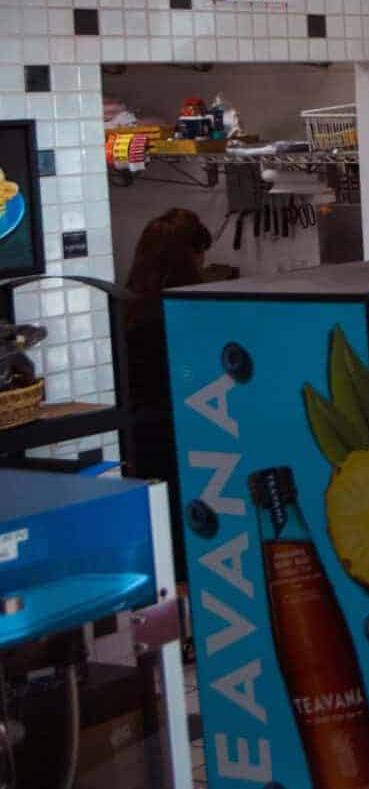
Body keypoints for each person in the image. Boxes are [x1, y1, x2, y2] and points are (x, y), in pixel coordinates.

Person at [123, 210, 214, 546]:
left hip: (138, 436)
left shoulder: (127, 305)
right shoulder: (185, 314)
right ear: (188, 256)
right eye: (200, 255)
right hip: (179, 434)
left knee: (162, 532)